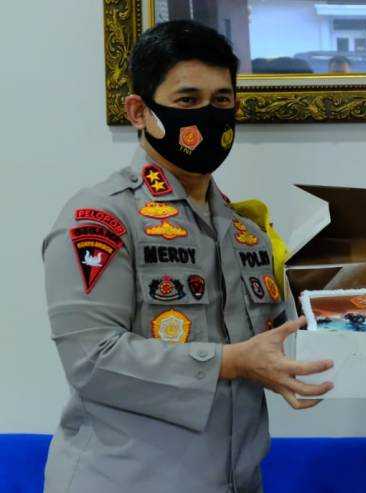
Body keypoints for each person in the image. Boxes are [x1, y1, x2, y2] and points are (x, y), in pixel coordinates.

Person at [42, 20, 333, 493]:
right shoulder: (101, 218)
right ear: (139, 111)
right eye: (187, 100)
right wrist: (231, 362)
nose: (208, 116)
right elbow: (91, 359)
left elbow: (281, 341)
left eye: (221, 100)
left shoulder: (248, 232)